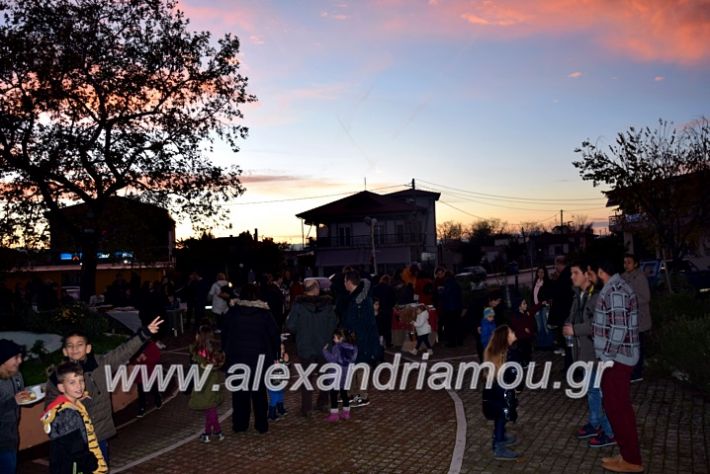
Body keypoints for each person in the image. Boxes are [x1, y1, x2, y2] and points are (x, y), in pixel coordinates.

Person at [45, 317, 163, 465]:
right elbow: (50, 408)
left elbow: (123, 351)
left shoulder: (102, 363)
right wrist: (69, 404)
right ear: (64, 351)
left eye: (79, 344)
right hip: (74, 439)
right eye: (70, 346)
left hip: (99, 435)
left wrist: (144, 333)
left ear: (88, 348)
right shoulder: (58, 376)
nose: (75, 349)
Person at [593, 259, 644, 473]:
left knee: (619, 409)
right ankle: (626, 454)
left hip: (617, 359)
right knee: (615, 408)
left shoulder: (616, 289)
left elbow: (619, 328)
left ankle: (632, 460)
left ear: (600, 269)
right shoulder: (614, 287)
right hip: (615, 358)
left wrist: (606, 356)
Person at [563, 261, 615, 448]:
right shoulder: (579, 295)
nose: (572, 276)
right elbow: (573, 317)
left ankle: (610, 432)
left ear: (587, 274)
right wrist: (568, 326)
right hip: (583, 353)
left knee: (604, 393)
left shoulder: (598, 297)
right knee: (592, 391)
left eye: (575, 272)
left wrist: (574, 330)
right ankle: (595, 423)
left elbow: (597, 324)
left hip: (597, 354)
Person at [222, 284, 279, 434]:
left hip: (237, 358)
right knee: (259, 393)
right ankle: (261, 424)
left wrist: (225, 352)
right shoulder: (264, 314)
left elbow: (224, 333)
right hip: (259, 359)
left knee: (239, 393)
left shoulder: (233, 313)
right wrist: (276, 355)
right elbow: (274, 335)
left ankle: (240, 424)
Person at [41, 362, 108, 473]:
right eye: (72, 382)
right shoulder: (66, 413)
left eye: (81, 381)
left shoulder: (74, 404)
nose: (79, 386)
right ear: (62, 387)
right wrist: (94, 466)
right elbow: (76, 449)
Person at [285, 279, 337, 417]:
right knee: (325, 375)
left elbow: (291, 325)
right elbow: (334, 322)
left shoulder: (298, 306)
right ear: (316, 288)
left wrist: (302, 332)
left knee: (307, 377)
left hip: (305, 346)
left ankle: (307, 407)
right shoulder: (327, 305)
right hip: (324, 345)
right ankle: (323, 402)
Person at [341, 270, 380, 408]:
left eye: (345, 281)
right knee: (353, 366)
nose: (344, 284)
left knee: (361, 366)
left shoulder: (361, 299)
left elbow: (366, 322)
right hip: (354, 338)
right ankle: (353, 393)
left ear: (349, 282)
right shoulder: (353, 297)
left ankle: (362, 396)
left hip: (361, 338)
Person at [481, 325, 520, 461]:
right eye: (511, 332)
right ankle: (499, 446)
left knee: (500, 416)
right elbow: (512, 375)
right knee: (501, 417)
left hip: (495, 391)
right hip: (502, 392)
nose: (514, 333)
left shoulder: (496, 353)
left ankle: (500, 435)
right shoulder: (508, 354)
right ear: (505, 338)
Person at [188, 326, 225, 442]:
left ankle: (213, 432)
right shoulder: (211, 354)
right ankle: (211, 432)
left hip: (204, 386)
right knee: (210, 410)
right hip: (210, 385)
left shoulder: (199, 353)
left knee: (210, 411)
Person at [622, 254, 651, 383]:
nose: (626, 264)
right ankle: (631, 370)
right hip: (627, 318)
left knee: (637, 346)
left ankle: (637, 372)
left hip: (639, 317)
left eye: (629, 262)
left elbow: (645, 297)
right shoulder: (623, 277)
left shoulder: (640, 278)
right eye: (625, 262)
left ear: (635, 264)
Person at [0, 339, 26, 473]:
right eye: (16, 357)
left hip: (12, 436)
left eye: (20, 356)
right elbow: (13, 402)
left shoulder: (17, 375)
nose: (20, 360)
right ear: (3, 359)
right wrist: (13, 402)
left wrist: (28, 398)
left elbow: (21, 397)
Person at [322, 329, 358, 422]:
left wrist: (325, 351)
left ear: (341, 338)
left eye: (335, 337)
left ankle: (334, 414)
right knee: (344, 393)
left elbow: (333, 359)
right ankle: (346, 413)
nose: (333, 339)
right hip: (346, 374)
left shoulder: (337, 348)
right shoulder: (353, 347)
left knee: (333, 394)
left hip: (336, 374)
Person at [548, 256, 574, 361]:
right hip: (565, 312)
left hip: (564, 313)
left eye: (555, 265)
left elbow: (557, 293)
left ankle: (571, 365)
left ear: (559, 264)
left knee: (567, 341)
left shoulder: (565, 276)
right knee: (566, 341)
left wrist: (554, 281)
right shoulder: (566, 274)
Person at [131, 338, 162, 418]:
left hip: (150, 373)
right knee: (141, 392)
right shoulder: (138, 347)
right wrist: (137, 360)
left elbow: (157, 358)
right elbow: (133, 359)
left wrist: (146, 359)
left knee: (153, 388)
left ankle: (157, 399)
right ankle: (142, 408)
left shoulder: (152, 346)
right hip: (140, 374)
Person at [437, 268, 464, 347]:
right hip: (456, 306)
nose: (439, 276)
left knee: (450, 326)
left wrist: (440, 293)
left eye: (440, 274)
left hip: (449, 307)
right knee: (457, 325)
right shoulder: (455, 282)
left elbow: (445, 295)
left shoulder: (447, 283)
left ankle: (452, 343)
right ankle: (459, 341)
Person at [509, 299, 535, 368]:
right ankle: (523, 363)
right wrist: (524, 329)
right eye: (524, 304)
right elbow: (515, 326)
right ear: (519, 306)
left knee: (528, 350)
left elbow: (529, 320)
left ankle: (527, 362)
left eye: (526, 303)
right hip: (521, 337)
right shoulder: (516, 316)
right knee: (523, 350)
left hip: (527, 336)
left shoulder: (526, 313)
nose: (526, 305)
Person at [267, 342, 289, 422]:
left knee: (280, 396)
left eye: (283, 348)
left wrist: (286, 362)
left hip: (280, 381)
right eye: (280, 349)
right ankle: (271, 414)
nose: (282, 350)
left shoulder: (282, 357)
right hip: (272, 382)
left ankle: (281, 409)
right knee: (274, 397)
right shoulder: (271, 358)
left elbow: (286, 369)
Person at [372, 275, 396, 348]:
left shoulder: (375, 288)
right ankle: (388, 343)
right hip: (387, 310)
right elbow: (393, 300)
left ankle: (379, 342)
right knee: (387, 328)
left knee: (378, 327)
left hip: (377, 310)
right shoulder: (389, 288)